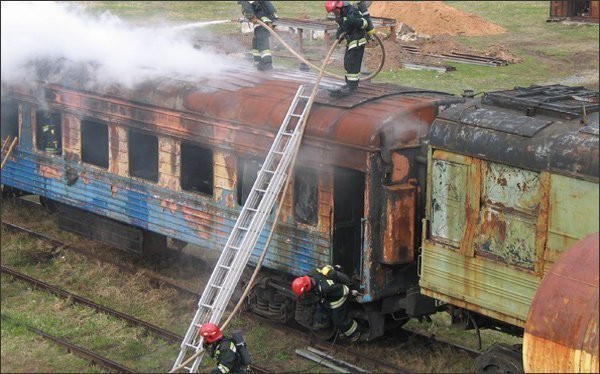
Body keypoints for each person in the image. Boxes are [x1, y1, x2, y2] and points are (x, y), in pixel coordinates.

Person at [291, 265, 362, 342]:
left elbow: (342, 290)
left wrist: (351, 293)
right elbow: (325, 268)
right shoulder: (312, 273)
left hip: (337, 299)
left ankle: (355, 332)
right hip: (330, 293)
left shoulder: (325, 288)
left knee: (339, 320)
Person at [325, 1, 369, 98]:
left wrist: (353, 21)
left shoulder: (352, 11)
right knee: (347, 63)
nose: (334, 14)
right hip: (351, 42)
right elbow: (342, 27)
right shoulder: (342, 14)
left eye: (334, 11)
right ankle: (348, 84)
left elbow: (365, 23)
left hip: (358, 41)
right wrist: (338, 36)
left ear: (338, 7)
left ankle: (352, 87)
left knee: (352, 64)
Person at [238, 1, 278, 71]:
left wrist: (247, 18)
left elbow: (249, 13)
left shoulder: (245, 2)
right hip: (265, 19)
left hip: (264, 21)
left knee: (261, 42)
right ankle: (259, 63)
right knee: (256, 41)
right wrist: (245, 19)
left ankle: (267, 64)